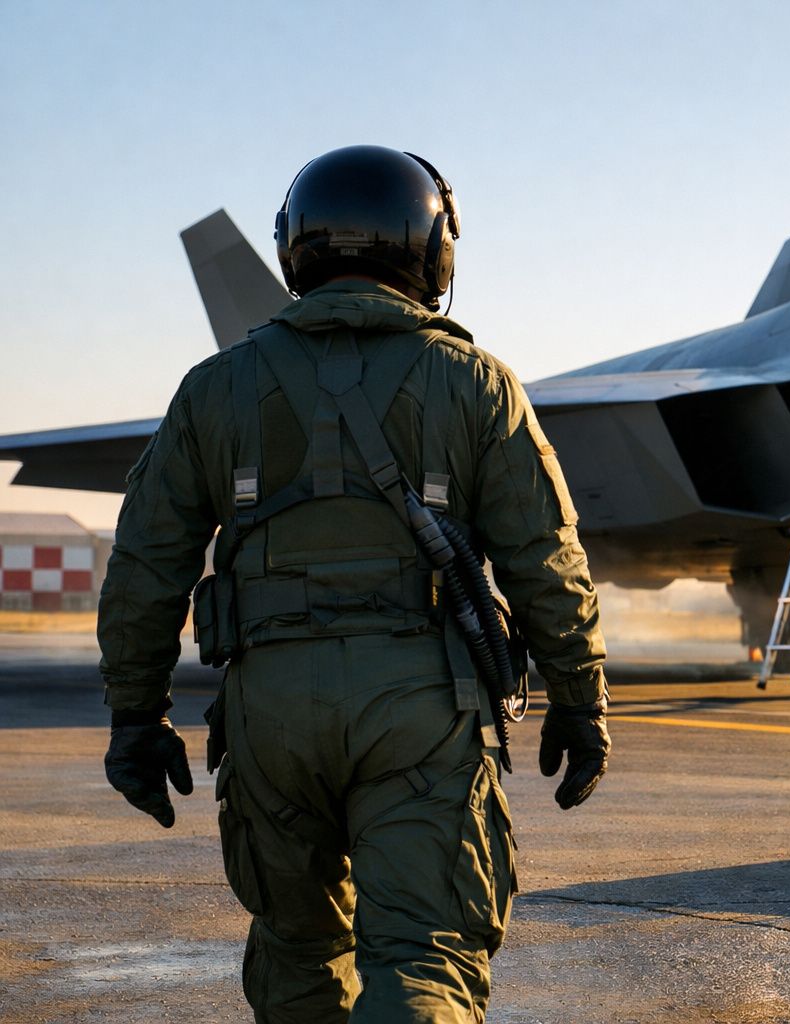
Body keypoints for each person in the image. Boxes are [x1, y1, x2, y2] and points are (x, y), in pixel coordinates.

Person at [98, 145, 610, 1022]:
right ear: (434, 247)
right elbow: (546, 562)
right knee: (423, 960)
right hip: (419, 711)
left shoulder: (215, 389)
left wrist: (136, 718)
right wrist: (579, 697)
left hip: (268, 717)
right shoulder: (477, 384)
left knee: (297, 955)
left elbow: (146, 569)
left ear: (295, 249)